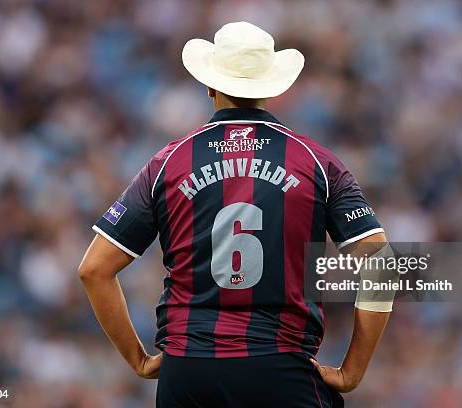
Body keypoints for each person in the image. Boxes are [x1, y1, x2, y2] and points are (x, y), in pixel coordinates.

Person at [78, 21, 392, 408]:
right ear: (272, 89)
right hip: (282, 368)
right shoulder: (317, 163)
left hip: (189, 371)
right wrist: (353, 369)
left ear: (209, 86)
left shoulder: (167, 163)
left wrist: (139, 360)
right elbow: (381, 263)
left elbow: (93, 269)